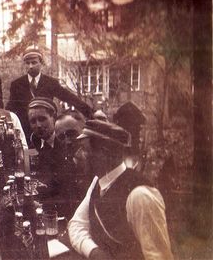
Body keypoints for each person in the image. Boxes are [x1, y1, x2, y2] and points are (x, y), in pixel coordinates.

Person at [68, 120, 173, 260]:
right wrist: (94, 252)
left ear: (104, 154)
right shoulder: (98, 182)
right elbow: (76, 225)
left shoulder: (140, 195)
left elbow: (159, 257)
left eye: (84, 149)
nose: (78, 155)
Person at [7, 46, 93, 141]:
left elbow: (69, 98)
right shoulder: (17, 84)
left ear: (41, 63)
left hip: (47, 131)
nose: (30, 66)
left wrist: (91, 113)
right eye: (27, 63)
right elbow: (10, 108)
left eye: (34, 62)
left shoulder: (50, 83)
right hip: (25, 132)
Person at [27, 97, 65, 210]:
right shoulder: (32, 147)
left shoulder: (67, 145)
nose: (38, 125)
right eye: (33, 121)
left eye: (42, 119)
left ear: (54, 118)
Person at [54, 109, 91, 217]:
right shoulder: (63, 168)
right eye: (61, 137)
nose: (67, 141)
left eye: (71, 134)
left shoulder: (99, 164)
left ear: (84, 130)